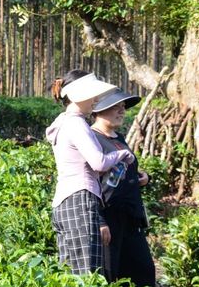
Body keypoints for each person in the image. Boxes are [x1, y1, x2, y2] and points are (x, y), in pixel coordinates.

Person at [45, 70, 134, 275]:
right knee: (87, 274)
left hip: (64, 202)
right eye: (92, 95)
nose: (96, 100)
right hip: (80, 199)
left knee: (69, 272)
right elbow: (99, 162)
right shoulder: (76, 123)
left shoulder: (61, 122)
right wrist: (122, 155)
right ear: (78, 95)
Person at [91, 90, 158, 287]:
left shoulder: (118, 137)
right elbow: (91, 180)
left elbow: (123, 169)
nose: (122, 111)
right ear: (98, 111)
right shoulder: (92, 138)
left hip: (131, 215)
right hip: (108, 215)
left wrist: (142, 177)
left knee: (143, 269)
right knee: (109, 273)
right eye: (115, 107)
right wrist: (99, 220)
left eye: (123, 107)